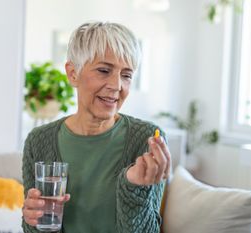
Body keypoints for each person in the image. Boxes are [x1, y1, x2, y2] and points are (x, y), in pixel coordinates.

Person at [21, 21, 171, 233]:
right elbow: (37, 227)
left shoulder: (146, 139)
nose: (116, 86)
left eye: (126, 75)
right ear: (73, 73)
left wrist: (134, 188)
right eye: (104, 70)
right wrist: (32, 220)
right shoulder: (38, 141)